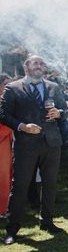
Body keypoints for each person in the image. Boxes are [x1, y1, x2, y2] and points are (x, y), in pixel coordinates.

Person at [0, 56, 68, 244]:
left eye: (41, 64)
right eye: (35, 63)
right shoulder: (13, 88)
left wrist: (59, 113)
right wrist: (22, 126)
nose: (39, 66)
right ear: (26, 67)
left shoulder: (53, 87)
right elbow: (3, 115)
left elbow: (65, 110)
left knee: (50, 184)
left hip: (51, 143)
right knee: (20, 186)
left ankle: (47, 221)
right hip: (26, 145)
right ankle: (12, 230)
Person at [0, 74, 13, 216]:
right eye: (6, 84)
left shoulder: (5, 100)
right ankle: (2, 209)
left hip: (8, 141)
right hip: (2, 141)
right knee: (2, 176)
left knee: (8, 175)